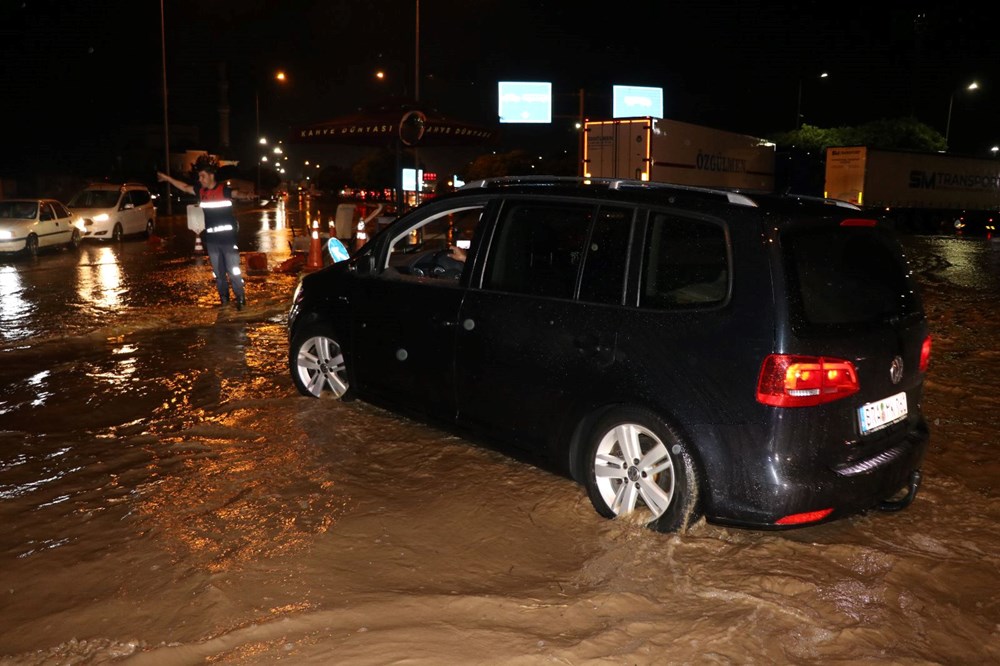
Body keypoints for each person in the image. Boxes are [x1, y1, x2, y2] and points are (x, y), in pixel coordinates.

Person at [157, 164, 250, 309]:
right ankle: (224, 301)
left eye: (203, 176)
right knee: (218, 274)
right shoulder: (201, 192)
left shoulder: (223, 190)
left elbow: (236, 193)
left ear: (211, 176)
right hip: (212, 241)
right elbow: (184, 186)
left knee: (233, 271)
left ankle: (240, 299)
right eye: (199, 177)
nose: (200, 179)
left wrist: (246, 195)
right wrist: (168, 178)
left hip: (227, 240)